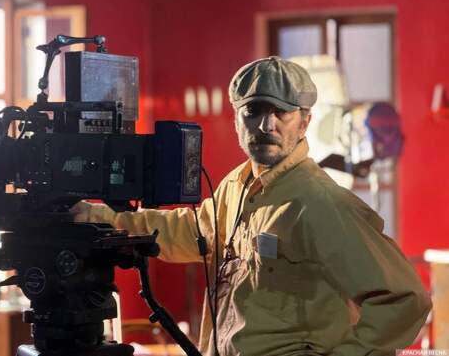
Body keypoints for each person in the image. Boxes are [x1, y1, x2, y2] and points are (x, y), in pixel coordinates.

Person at [72, 56, 431, 356]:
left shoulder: (320, 203)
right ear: (236, 120)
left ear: (304, 122)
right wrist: (93, 217)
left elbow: (405, 300)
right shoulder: (237, 185)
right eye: (253, 111)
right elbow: (185, 231)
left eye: (281, 112)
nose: (266, 125)